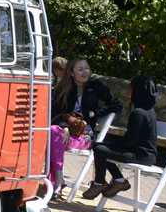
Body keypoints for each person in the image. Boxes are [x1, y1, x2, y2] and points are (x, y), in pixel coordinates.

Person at [48, 56, 122, 197]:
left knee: (52, 141)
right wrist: (64, 127)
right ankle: (58, 179)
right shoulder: (64, 87)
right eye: (80, 69)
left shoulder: (95, 86)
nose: (85, 72)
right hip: (66, 129)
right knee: (52, 132)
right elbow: (55, 111)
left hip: (87, 133)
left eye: (87, 68)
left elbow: (117, 105)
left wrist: (95, 113)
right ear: (71, 73)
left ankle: (56, 182)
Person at [82, 74, 159, 200]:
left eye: (131, 87)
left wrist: (113, 146)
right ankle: (118, 180)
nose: (128, 89)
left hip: (141, 155)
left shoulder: (138, 113)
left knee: (99, 149)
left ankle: (99, 183)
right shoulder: (148, 110)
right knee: (101, 148)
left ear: (137, 90)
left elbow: (129, 141)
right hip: (144, 154)